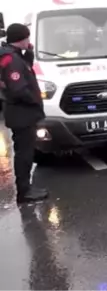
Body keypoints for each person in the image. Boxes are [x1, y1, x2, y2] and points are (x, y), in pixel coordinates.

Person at [0, 24, 47, 204]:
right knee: (24, 154)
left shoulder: (15, 56)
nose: (29, 41)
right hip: (22, 114)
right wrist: (34, 100)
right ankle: (24, 192)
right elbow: (18, 89)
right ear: (22, 38)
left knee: (24, 152)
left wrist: (29, 54)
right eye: (27, 38)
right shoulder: (11, 59)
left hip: (20, 113)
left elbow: (25, 68)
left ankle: (26, 189)